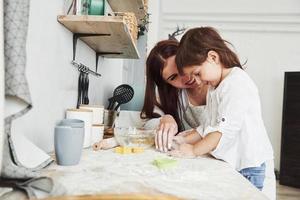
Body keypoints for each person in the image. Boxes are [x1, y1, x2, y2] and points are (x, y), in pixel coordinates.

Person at [169, 27, 274, 191]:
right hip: (233, 163)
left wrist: (194, 150)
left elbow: (223, 131)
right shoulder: (213, 87)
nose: (197, 81)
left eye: (197, 73)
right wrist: (181, 140)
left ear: (213, 57)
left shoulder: (236, 83)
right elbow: (208, 126)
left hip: (248, 166)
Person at [140, 40, 208, 152]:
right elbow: (147, 124)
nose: (185, 78)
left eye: (182, 66)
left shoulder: (217, 84)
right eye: (173, 77)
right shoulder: (173, 95)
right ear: (165, 84)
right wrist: (165, 119)